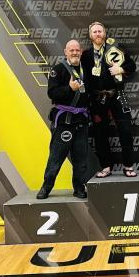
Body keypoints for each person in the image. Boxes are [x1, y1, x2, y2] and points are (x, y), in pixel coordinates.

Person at [81, 21, 138, 178]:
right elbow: (83, 77)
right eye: (94, 32)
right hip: (97, 98)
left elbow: (132, 65)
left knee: (125, 130)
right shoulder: (85, 55)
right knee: (100, 133)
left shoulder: (115, 50)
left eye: (100, 31)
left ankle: (128, 165)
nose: (98, 34)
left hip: (116, 94)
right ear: (90, 36)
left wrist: (121, 69)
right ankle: (106, 167)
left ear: (105, 33)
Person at [37, 40, 90, 200]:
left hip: (81, 121)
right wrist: (69, 89)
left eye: (77, 50)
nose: (74, 53)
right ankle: (46, 187)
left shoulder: (86, 70)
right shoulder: (58, 70)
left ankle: (79, 188)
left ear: (81, 52)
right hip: (64, 123)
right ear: (65, 52)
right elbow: (52, 93)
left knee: (81, 159)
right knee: (56, 158)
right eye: (71, 50)